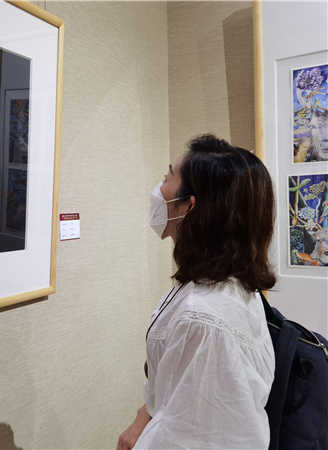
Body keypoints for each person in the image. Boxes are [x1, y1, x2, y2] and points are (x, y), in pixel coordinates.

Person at [117, 135, 276, 449]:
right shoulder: (218, 284)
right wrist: (145, 415)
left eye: (167, 177)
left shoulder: (204, 319)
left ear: (189, 206)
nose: (158, 188)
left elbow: (197, 439)